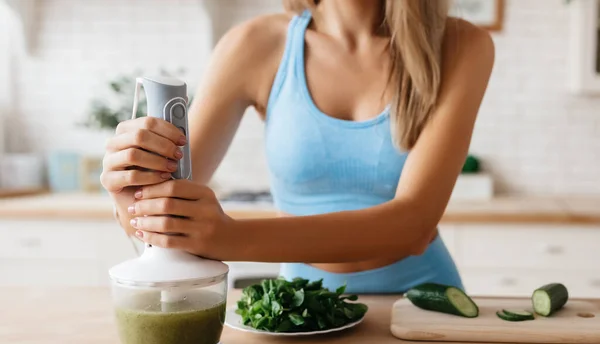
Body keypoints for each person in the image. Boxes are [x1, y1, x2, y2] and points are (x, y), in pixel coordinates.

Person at [101, 0, 494, 294]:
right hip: (301, 308)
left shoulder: (460, 44)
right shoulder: (255, 44)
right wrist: (129, 190)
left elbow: (413, 226)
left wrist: (230, 238)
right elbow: (156, 213)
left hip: (425, 304)